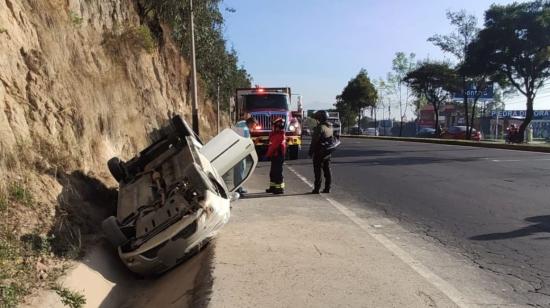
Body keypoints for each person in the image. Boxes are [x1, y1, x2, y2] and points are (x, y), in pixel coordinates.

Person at [309, 110, 334, 194]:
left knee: (317, 171)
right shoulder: (330, 127)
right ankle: (328, 188)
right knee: (327, 170)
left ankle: (317, 189)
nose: (317, 120)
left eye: (317, 119)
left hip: (319, 152)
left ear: (320, 119)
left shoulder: (320, 128)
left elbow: (314, 141)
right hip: (327, 152)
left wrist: (310, 151)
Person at [233, 115, 257, 194]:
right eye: (253, 126)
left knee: (238, 169)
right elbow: (246, 142)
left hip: (236, 150)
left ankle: (237, 187)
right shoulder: (245, 129)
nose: (253, 128)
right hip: (240, 152)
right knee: (240, 169)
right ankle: (238, 188)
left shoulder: (241, 123)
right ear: (250, 123)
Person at [265, 117, 286, 194]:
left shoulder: (279, 135)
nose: (272, 127)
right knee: (273, 172)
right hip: (275, 155)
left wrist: (267, 155)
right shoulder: (275, 134)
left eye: (273, 126)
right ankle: (273, 187)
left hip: (278, 156)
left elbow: (273, 147)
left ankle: (280, 189)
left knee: (277, 173)